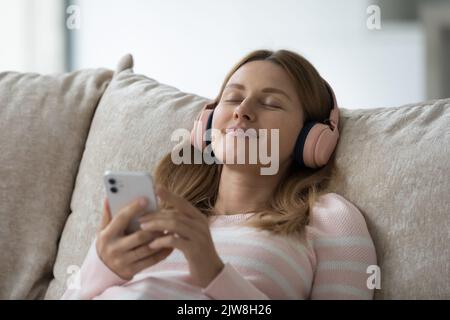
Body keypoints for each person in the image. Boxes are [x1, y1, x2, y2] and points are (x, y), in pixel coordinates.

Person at [61, 49, 377, 300]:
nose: (243, 110)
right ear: (208, 123)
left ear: (312, 137)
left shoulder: (328, 218)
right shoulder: (157, 212)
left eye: (270, 103)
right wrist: (102, 267)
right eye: (234, 98)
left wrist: (215, 273)